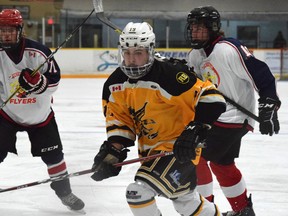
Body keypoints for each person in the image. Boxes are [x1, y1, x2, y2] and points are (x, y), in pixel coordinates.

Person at [90, 21, 226, 216]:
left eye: (138, 53)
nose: (131, 60)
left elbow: (213, 98)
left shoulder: (170, 75)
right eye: (127, 53)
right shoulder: (115, 84)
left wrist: (195, 131)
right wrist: (114, 151)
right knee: (186, 203)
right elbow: (120, 121)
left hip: (179, 150)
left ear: (150, 50)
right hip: (151, 154)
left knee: (137, 192)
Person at [184, 6, 281, 216]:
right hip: (218, 118)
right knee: (222, 164)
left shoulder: (228, 48)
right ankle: (243, 210)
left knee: (195, 156)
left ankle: (203, 210)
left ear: (212, 29)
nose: (195, 33)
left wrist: (269, 103)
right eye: (192, 28)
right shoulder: (194, 55)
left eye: (200, 29)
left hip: (231, 118)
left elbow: (262, 73)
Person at [0, 9, 84, 211]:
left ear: (20, 30)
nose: (5, 35)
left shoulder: (38, 52)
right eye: (2, 31)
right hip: (6, 115)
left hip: (40, 117)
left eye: (10, 31)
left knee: (54, 156)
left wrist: (38, 83)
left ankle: (65, 193)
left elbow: (54, 84)